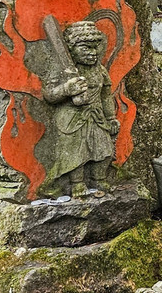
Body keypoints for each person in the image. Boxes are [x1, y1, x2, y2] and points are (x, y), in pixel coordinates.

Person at [42, 21, 119, 196]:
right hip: (71, 118)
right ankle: (76, 183)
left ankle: (98, 179)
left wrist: (111, 117)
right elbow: (49, 94)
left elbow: (106, 95)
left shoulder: (99, 70)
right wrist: (67, 89)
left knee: (103, 149)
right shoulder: (63, 70)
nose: (93, 53)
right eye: (86, 48)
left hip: (97, 115)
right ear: (71, 48)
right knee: (76, 153)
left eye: (95, 48)